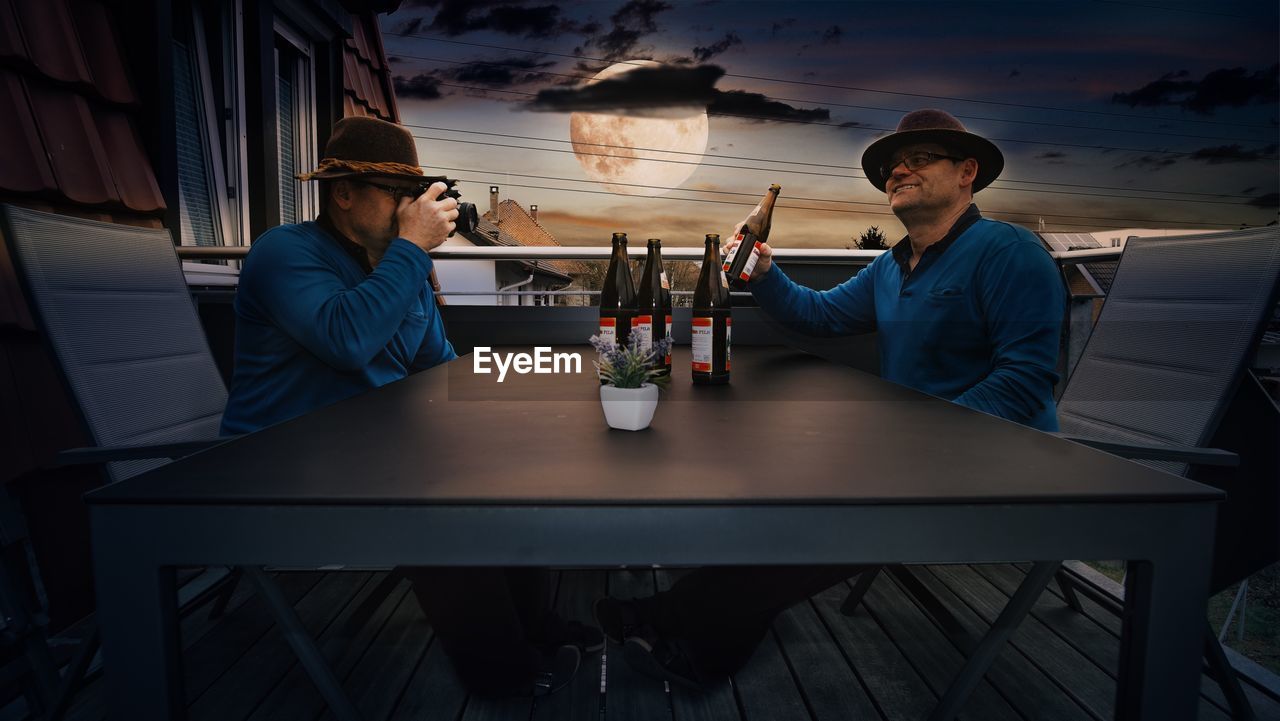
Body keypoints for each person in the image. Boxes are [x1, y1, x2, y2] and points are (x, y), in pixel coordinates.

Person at [595, 109, 1066, 689]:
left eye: (920, 158)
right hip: (918, 455)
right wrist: (765, 271)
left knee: (831, 509)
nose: (899, 170)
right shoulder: (893, 265)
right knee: (789, 486)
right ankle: (703, 649)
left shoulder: (1011, 252)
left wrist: (912, 441)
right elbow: (818, 315)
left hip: (1005, 466)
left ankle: (663, 618)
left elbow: (1022, 385)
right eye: (894, 164)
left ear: (967, 172)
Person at [221, 116, 596, 696]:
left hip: (372, 452)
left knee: (511, 467)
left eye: (414, 195)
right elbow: (346, 341)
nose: (411, 209)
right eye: (398, 195)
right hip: (280, 465)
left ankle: (533, 628)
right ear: (343, 192)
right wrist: (411, 250)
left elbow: (435, 364)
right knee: (434, 498)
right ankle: (501, 671)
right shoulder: (285, 253)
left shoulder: (396, 263)